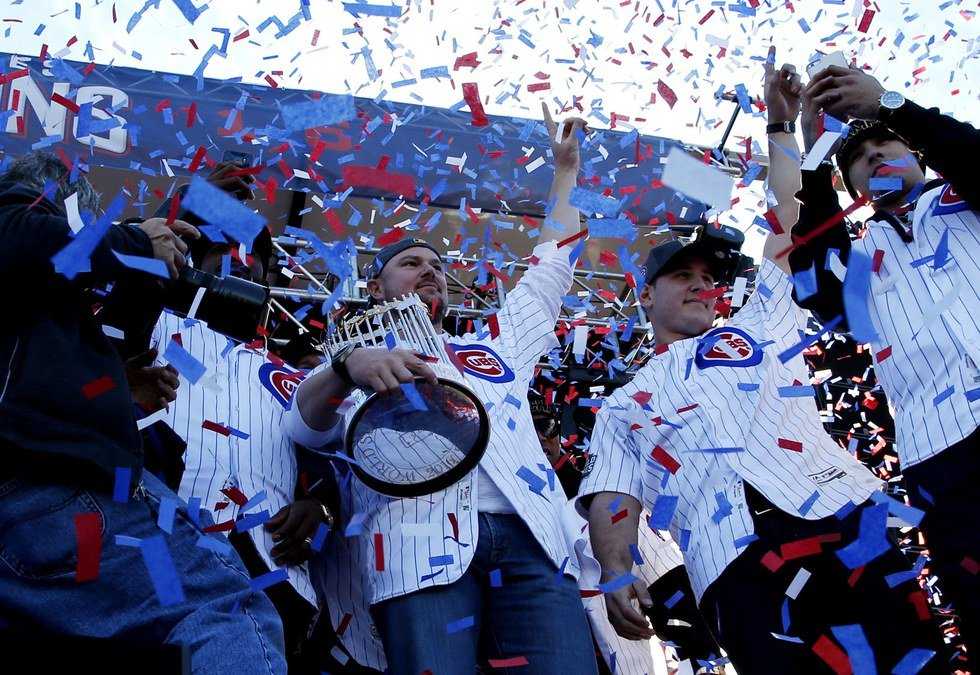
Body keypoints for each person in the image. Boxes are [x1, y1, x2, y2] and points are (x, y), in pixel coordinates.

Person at [577, 54, 947, 674]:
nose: (702, 285)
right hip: (731, 562)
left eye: (709, 277)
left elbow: (792, 220)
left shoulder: (760, 324)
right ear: (645, 296)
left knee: (915, 664)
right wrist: (615, 570)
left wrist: (779, 127)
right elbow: (615, 494)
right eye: (683, 276)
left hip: (845, 517)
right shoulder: (621, 404)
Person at [283, 105, 599, 674]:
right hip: (415, 545)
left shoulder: (493, 349)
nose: (431, 271)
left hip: (532, 542)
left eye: (437, 265)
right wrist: (348, 366)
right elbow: (304, 426)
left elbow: (550, 271)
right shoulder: (350, 361)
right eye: (411, 263)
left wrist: (565, 172)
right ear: (375, 287)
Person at [0, 151, 286, 673]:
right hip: (59, 497)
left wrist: (118, 386)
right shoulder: (24, 217)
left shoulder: (35, 307)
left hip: (38, 526)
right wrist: (132, 241)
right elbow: (23, 234)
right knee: (223, 610)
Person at [787, 62, 979, 668]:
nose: (873, 155)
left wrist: (888, 104)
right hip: (939, 457)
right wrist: (814, 151)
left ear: (915, 153)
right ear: (852, 188)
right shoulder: (858, 255)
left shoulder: (964, 197)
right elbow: (814, 287)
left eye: (885, 145)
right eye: (858, 159)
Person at [137, 168, 333, 673]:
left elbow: (336, 474)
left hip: (270, 570)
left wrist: (321, 509)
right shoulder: (152, 325)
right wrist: (192, 204)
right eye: (225, 251)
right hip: (157, 555)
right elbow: (132, 271)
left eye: (255, 260)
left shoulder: (298, 379)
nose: (241, 263)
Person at [532, 394, 723, 674]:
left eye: (545, 426)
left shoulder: (596, 477)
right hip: (566, 614)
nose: (539, 437)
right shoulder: (510, 503)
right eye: (530, 428)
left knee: (687, 641)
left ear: (558, 430)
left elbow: (661, 572)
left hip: (632, 590)